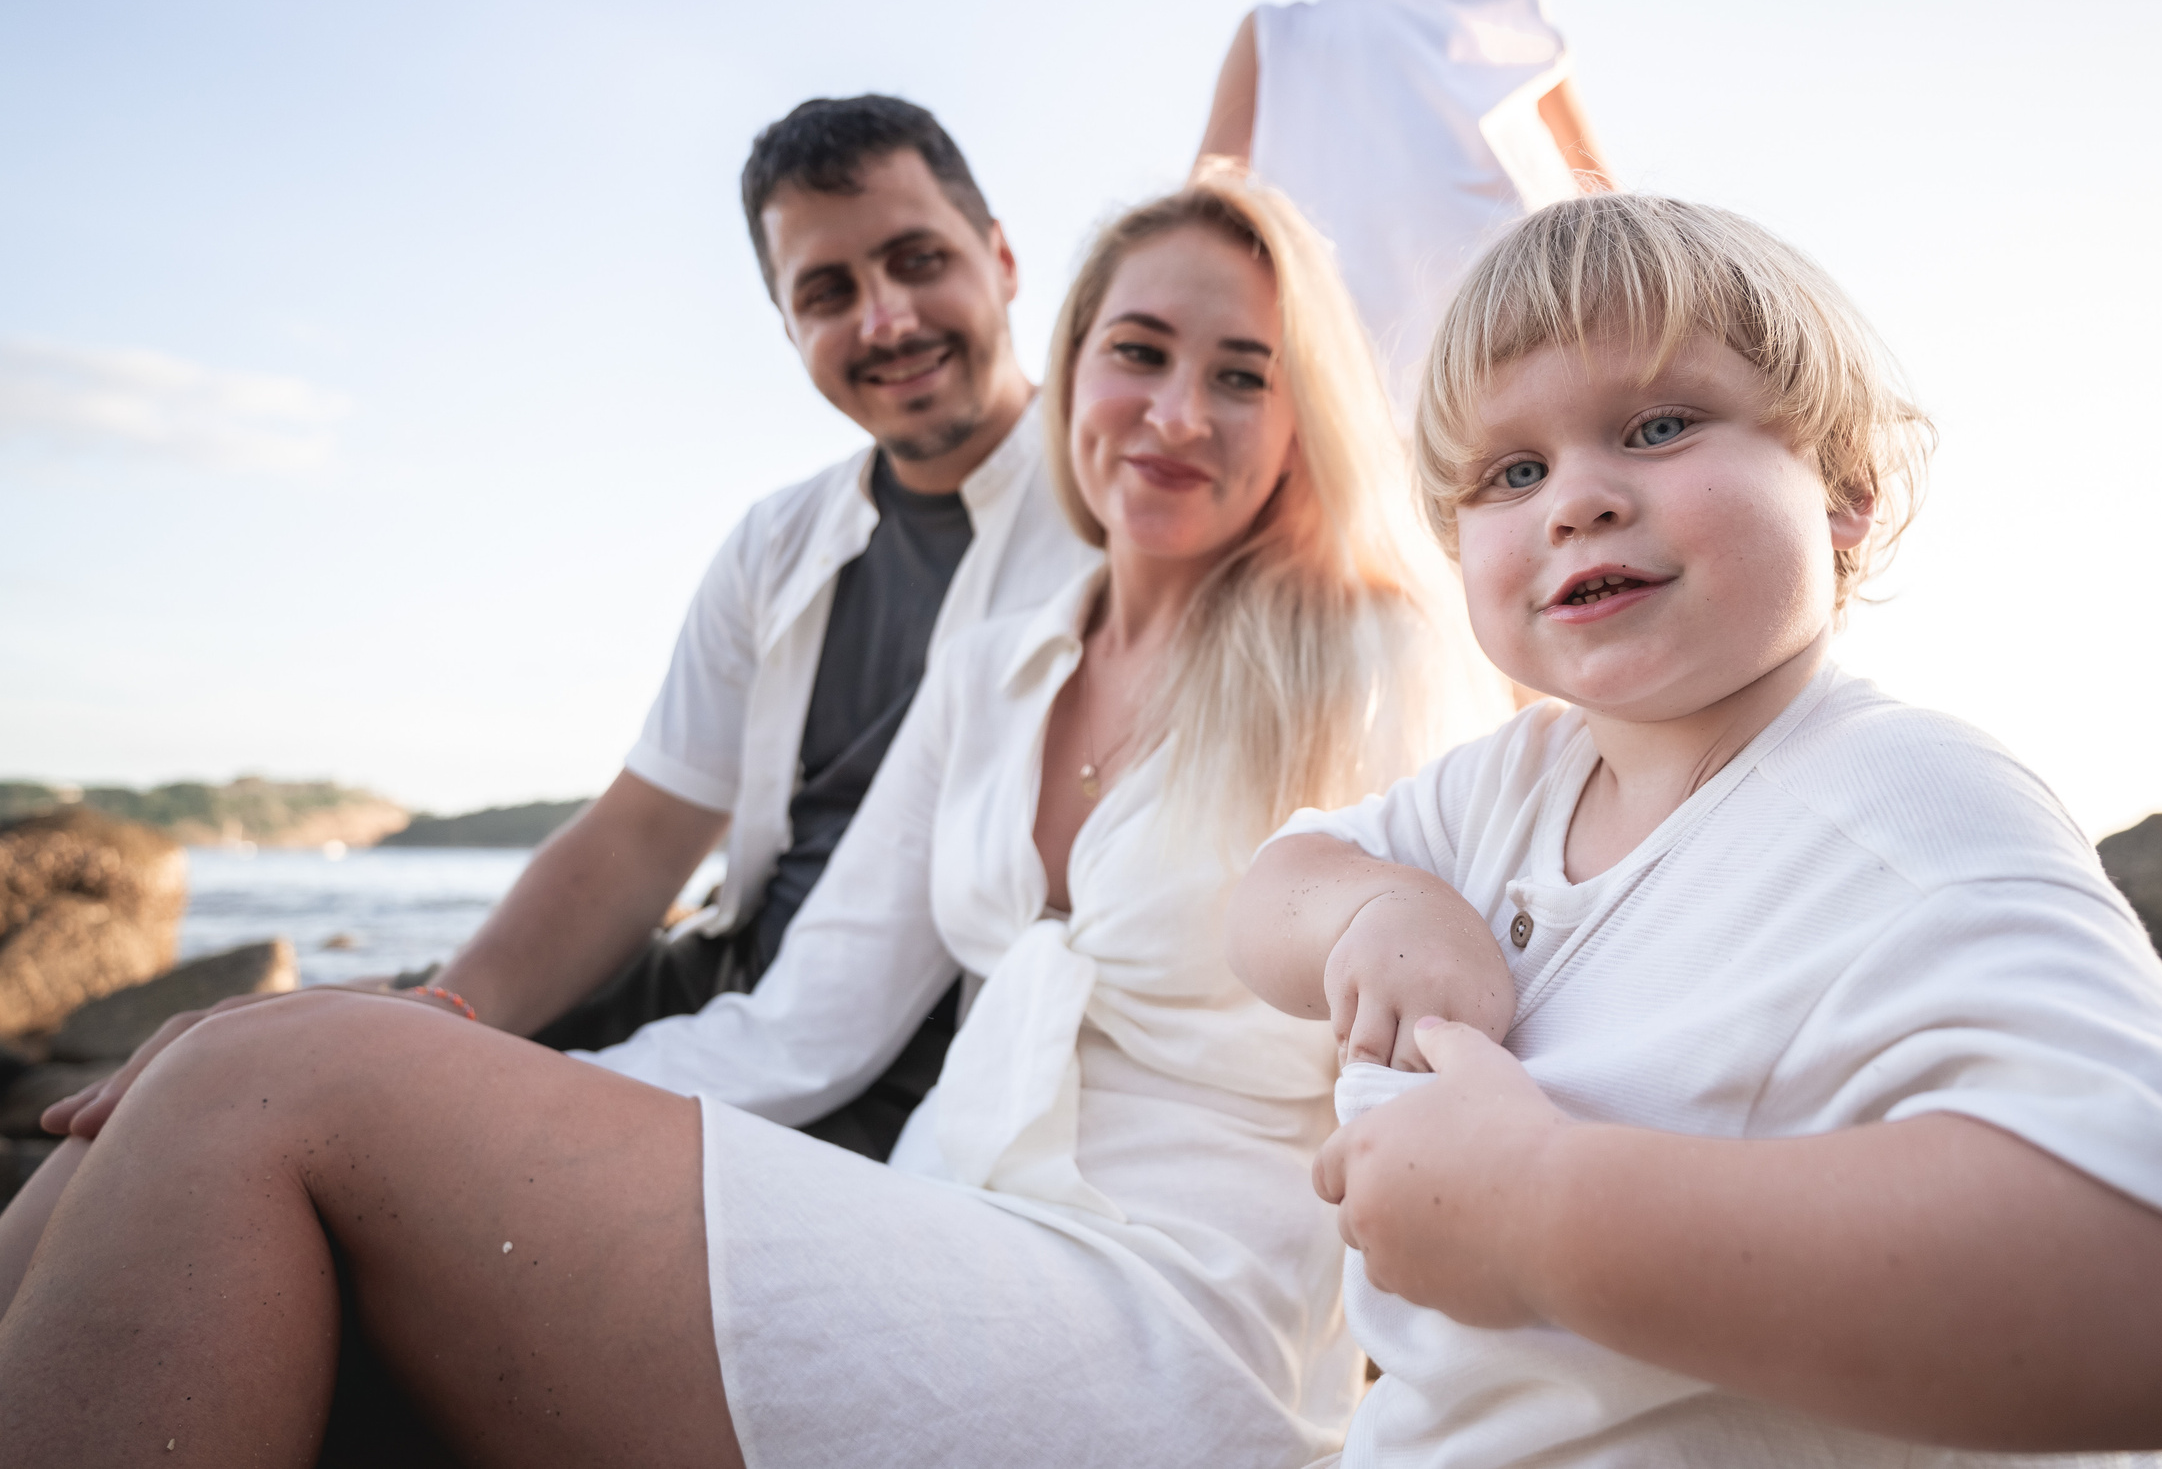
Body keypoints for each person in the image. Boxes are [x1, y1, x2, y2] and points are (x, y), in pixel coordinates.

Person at [0, 173, 1503, 1469]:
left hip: (1177, 1320)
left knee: (265, 1069)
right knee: (186, 1084)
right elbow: (803, 1023)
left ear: (1303, 414)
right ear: (1078, 364)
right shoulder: (997, 660)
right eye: (1140, 352)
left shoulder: (1374, 650)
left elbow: (1451, 1038)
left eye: (1244, 372)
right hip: (929, 1228)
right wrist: (440, 1049)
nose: (1176, 412)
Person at [1225, 193, 2162, 1467]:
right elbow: (1269, 889)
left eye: (1657, 426)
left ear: (1846, 487)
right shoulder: (1506, 786)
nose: (1575, 498)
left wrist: (1540, 1218)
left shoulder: (1897, 799)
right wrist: (1375, 908)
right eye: (1512, 471)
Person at [37, 94, 1103, 1167]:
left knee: (317, 1146)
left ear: (1002, 258)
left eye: (918, 261)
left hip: (917, 1047)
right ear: (787, 326)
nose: (885, 320)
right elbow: (641, 832)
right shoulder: (776, 543)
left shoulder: (1123, 517)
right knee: (206, 1089)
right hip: (718, 980)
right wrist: (451, 1006)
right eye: (826, 292)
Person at [1197, 0, 1613, 415]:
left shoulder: (1508, 12)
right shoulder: (1274, 36)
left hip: (1549, 341)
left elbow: (1601, 190)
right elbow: (1208, 202)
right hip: (1355, 384)